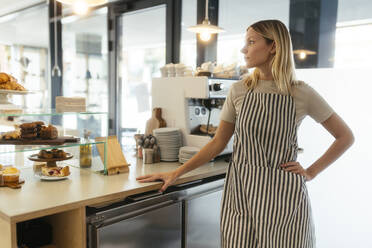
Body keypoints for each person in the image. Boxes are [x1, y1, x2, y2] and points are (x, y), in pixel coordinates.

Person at [136, 19, 354, 247]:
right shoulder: (240, 90)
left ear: (274, 46)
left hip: (283, 197)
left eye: (251, 42)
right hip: (241, 191)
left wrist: (311, 171)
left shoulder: (301, 93)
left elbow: (345, 136)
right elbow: (218, 143)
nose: (244, 49)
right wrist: (176, 174)